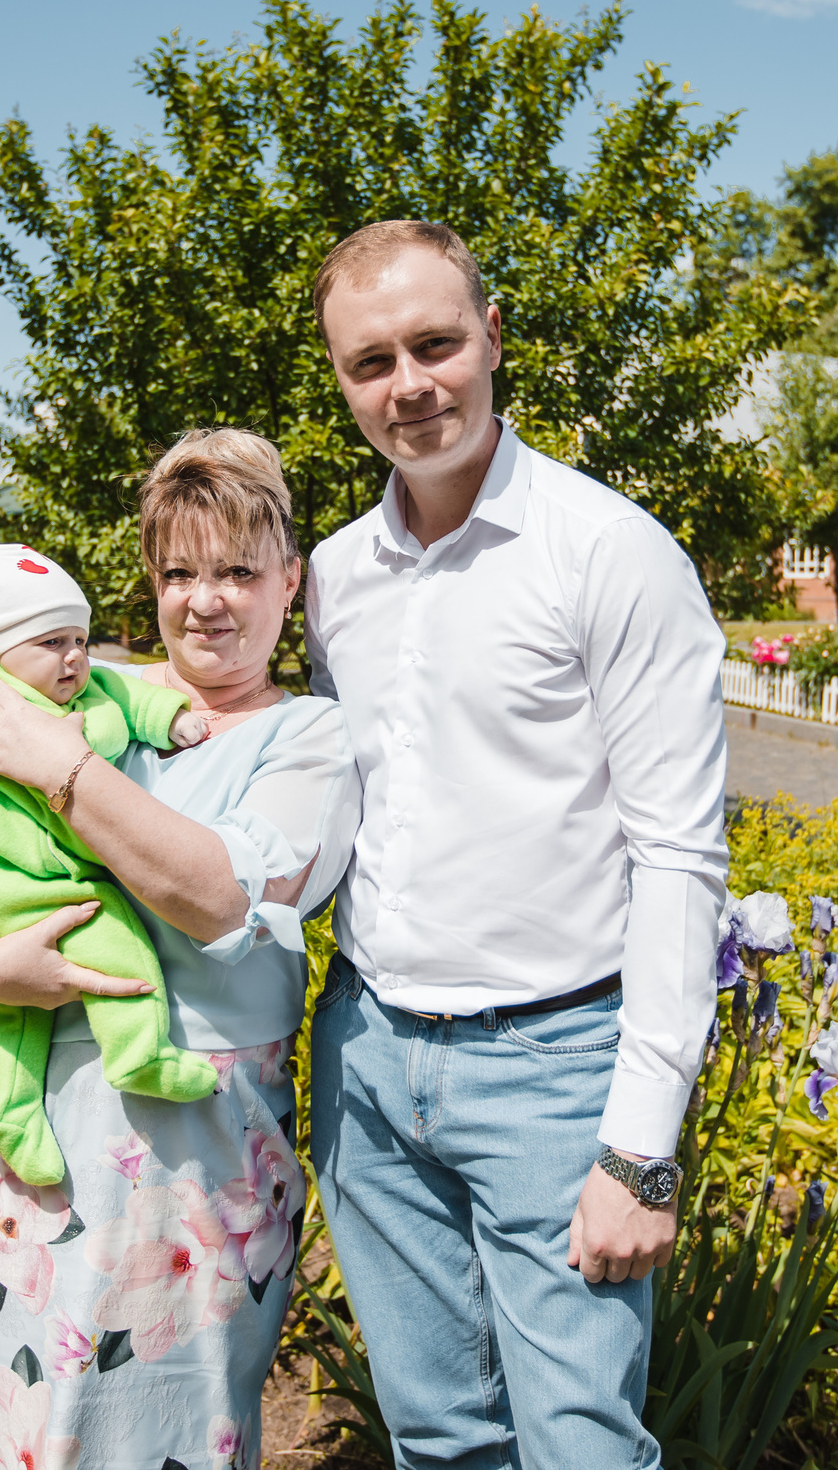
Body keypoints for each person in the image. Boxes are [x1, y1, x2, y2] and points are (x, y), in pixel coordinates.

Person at [0, 429, 356, 1469]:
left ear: (290, 581)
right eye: (179, 572)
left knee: (182, 1432)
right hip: (40, 1139)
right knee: (28, 1427)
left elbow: (216, 895)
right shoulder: (76, 689)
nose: (207, 601)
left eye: (239, 572)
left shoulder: (305, 738)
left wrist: (61, 772)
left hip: (199, 1143)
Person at [303, 220, 729, 1468]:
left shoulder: (609, 553)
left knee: (582, 1446)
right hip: (369, 1059)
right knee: (436, 1438)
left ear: (492, 339)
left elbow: (679, 859)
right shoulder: (332, 576)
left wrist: (640, 1150)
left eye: (434, 344)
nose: (408, 384)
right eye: (370, 361)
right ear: (342, 381)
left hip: (553, 1065)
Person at [0, 541, 216, 1186]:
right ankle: (141, 1054)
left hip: (5, 879)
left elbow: (115, 688)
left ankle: (5, 1110)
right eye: (52, 642)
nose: (76, 656)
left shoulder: (54, 683)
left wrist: (165, 717)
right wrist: (123, 730)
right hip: (22, 876)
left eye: (80, 637)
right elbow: (96, 733)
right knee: (109, 938)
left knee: (12, 1006)